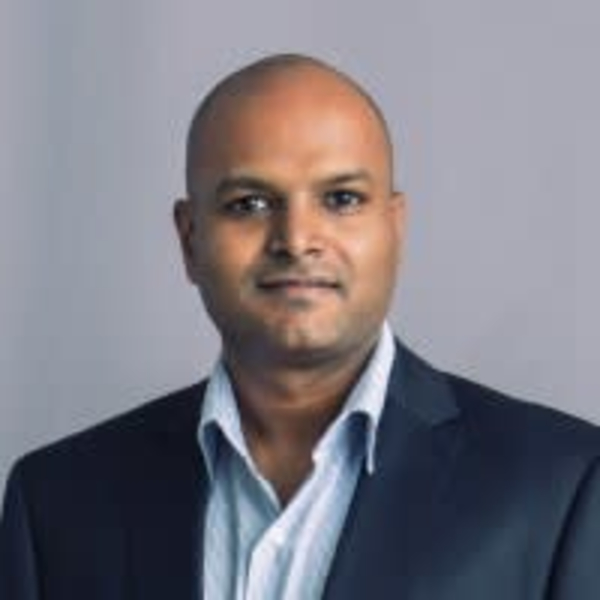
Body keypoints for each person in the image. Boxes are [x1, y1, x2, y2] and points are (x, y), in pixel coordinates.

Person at [1, 53, 599, 600]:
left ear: (395, 228)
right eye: (249, 204)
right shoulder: (56, 504)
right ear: (190, 241)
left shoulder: (561, 487)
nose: (296, 239)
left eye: (341, 199)